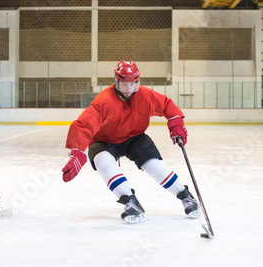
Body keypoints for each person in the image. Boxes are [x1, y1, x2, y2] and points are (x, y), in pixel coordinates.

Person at [62, 61, 200, 224]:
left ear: (138, 82)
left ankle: (186, 197)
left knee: (154, 165)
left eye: (133, 84)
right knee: (103, 162)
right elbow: (84, 125)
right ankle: (130, 202)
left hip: (135, 137)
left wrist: (175, 122)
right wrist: (76, 152)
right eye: (124, 85)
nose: (128, 90)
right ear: (116, 82)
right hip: (104, 140)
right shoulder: (103, 102)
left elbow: (166, 104)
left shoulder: (145, 96)